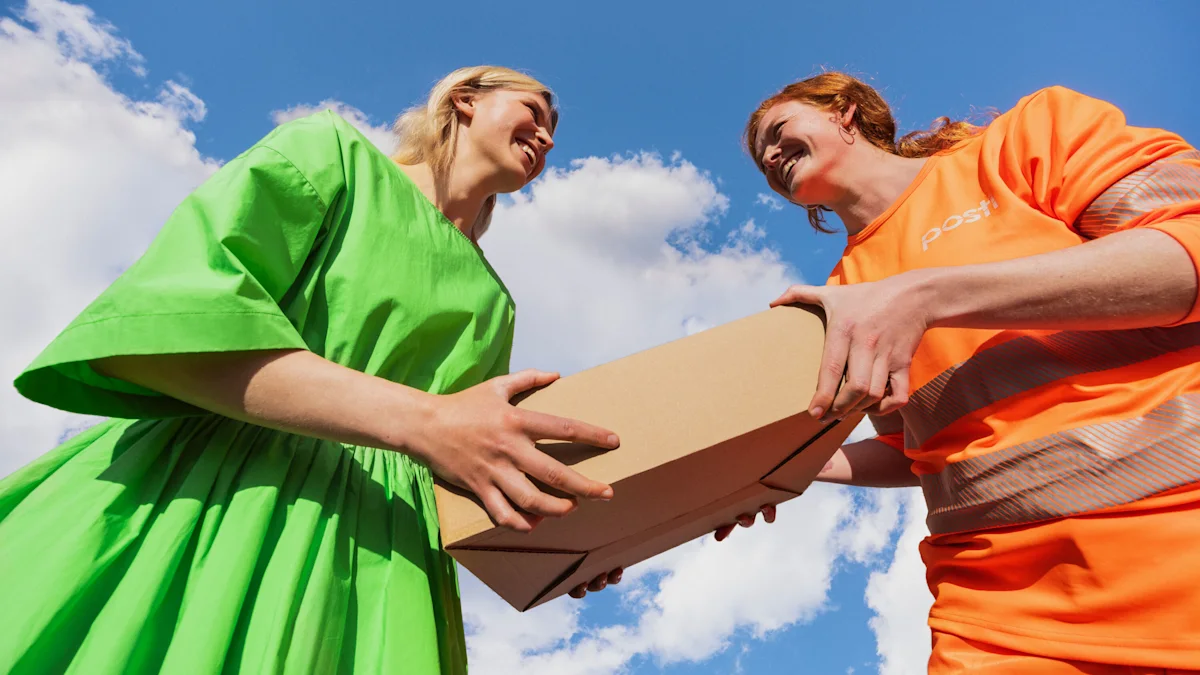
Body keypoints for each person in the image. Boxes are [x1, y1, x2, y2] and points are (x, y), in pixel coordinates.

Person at [0, 66, 623, 675]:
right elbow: (159, 331)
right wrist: (423, 419)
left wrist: (579, 539)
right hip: (221, 493)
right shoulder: (330, 152)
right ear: (463, 100)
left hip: (379, 561)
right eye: (534, 114)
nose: (547, 138)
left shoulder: (495, 301)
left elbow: (468, 466)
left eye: (552, 130)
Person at [739, 72, 1200, 673]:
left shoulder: (1024, 142)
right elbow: (915, 451)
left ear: (845, 112)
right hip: (993, 612)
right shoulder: (840, 302)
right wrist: (788, 469)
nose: (771, 156)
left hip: (1174, 542)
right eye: (761, 158)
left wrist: (931, 294)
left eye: (778, 132)